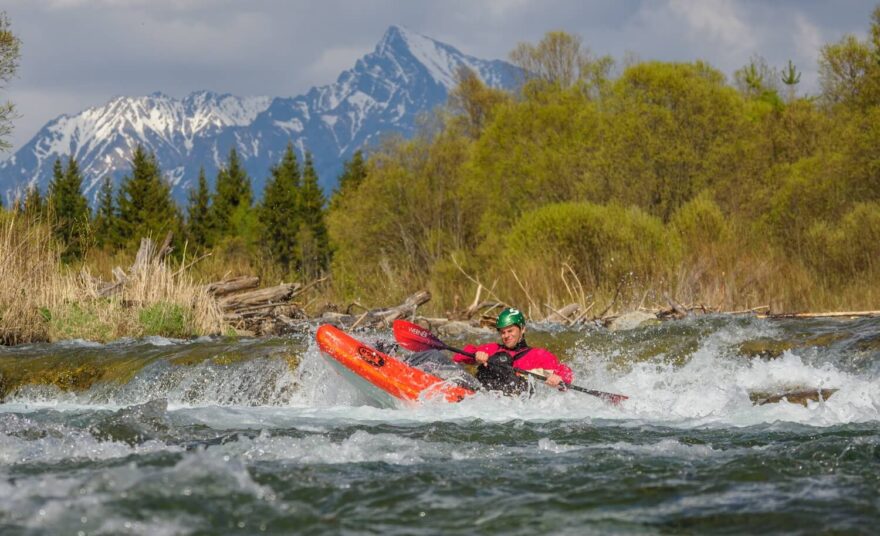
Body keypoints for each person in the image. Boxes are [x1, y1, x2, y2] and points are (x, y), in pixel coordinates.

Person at [452, 307, 573, 395]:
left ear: (522, 329)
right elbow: (458, 358)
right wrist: (475, 355)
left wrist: (559, 379)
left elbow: (565, 373)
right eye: (503, 332)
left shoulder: (539, 355)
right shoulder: (493, 348)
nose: (506, 336)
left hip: (516, 403)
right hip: (486, 398)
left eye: (510, 331)